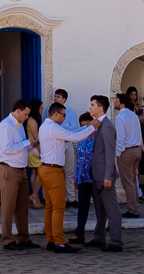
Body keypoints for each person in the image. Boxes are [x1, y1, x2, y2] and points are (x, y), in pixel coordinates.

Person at [36, 101, 97, 253]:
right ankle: (59, 241)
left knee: (50, 207)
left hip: (45, 169)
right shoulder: (53, 127)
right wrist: (92, 126)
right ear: (55, 114)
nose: (65, 119)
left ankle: (51, 240)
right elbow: (74, 137)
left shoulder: (45, 126)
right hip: (52, 171)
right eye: (63, 115)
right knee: (58, 207)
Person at [0, 98, 39, 251]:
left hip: (21, 170)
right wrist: (27, 143)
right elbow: (7, 148)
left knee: (22, 206)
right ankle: (7, 239)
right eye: (26, 114)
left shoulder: (20, 126)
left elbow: (20, 147)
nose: (27, 117)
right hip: (9, 169)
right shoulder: (5, 126)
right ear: (18, 111)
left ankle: (23, 237)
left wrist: (30, 146)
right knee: (8, 206)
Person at [87, 94, 122, 252]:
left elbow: (109, 153)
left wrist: (108, 176)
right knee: (100, 209)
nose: (90, 107)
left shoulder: (107, 126)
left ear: (100, 108)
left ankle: (116, 241)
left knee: (111, 209)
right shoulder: (97, 125)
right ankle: (99, 237)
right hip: (96, 173)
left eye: (92, 105)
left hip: (104, 175)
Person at [67, 113, 96, 246]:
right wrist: (76, 179)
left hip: (95, 178)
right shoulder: (80, 139)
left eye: (87, 125)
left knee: (99, 208)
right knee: (82, 207)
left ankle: (99, 235)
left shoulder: (97, 138)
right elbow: (79, 160)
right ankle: (79, 234)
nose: (85, 128)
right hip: (83, 178)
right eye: (83, 125)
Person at [113, 92, 143, 218]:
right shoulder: (133, 115)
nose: (115, 102)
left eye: (117, 101)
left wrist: (118, 153)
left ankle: (133, 209)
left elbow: (120, 138)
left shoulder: (120, 117)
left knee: (128, 182)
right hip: (137, 150)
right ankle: (135, 206)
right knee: (133, 180)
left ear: (122, 104)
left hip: (127, 151)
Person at [25, 98, 44, 209]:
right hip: (35, 149)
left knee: (35, 172)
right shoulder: (33, 121)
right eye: (41, 107)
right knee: (40, 173)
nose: (42, 109)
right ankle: (35, 195)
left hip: (33, 149)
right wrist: (42, 152)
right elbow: (36, 138)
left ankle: (34, 196)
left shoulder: (33, 120)